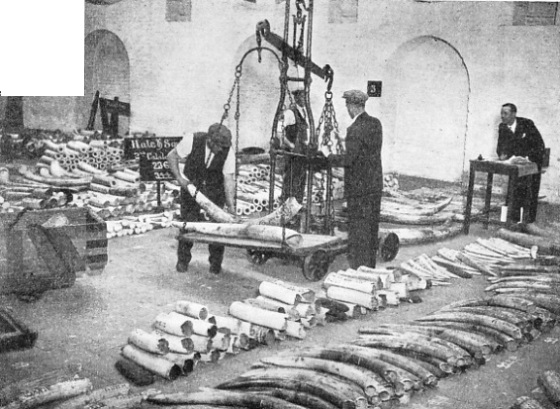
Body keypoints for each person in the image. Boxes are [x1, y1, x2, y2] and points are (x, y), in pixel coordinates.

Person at [167, 123, 236, 274]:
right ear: (210, 140)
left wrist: (230, 205)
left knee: (218, 227)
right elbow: (172, 156)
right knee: (188, 224)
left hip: (215, 190)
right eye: (219, 147)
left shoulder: (227, 151)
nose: (221, 150)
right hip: (191, 188)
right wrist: (179, 178)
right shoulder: (192, 140)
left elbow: (228, 178)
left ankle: (215, 263)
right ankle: (183, 261)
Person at [342, 89, 383, 269]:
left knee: (358, 230)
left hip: (358, 189)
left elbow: (349, 159)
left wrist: (327, 158)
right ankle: (370, 266)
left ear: (351, 106)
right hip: (374, 184)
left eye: (347, 106)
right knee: (371, 228)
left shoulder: (354, 129)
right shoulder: (376, 123)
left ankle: (358, 269)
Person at [497, 103, 545, 223]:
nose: (502, 116)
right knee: (514, 192)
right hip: (516, 166)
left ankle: (528, 222)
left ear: (514, 114)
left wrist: (528, 158)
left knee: (530, 194)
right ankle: (513, 221)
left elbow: (539, 145)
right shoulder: (502, 127)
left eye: (505, 113)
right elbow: (500, 147)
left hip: (532, 164)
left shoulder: (527, 124)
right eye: (501, 113)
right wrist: (502, 154)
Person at [280, 88, 309, 225]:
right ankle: (287, 217)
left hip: (302, 155)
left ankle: (295, 214)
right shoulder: (290, 113)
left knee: (300, 183)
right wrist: (291, 146)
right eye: (302, 97)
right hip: (293, 156)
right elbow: (279, 133)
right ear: (296, 98)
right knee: (290, 184)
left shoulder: (304, 113)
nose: (304, 99)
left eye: (306, 96)